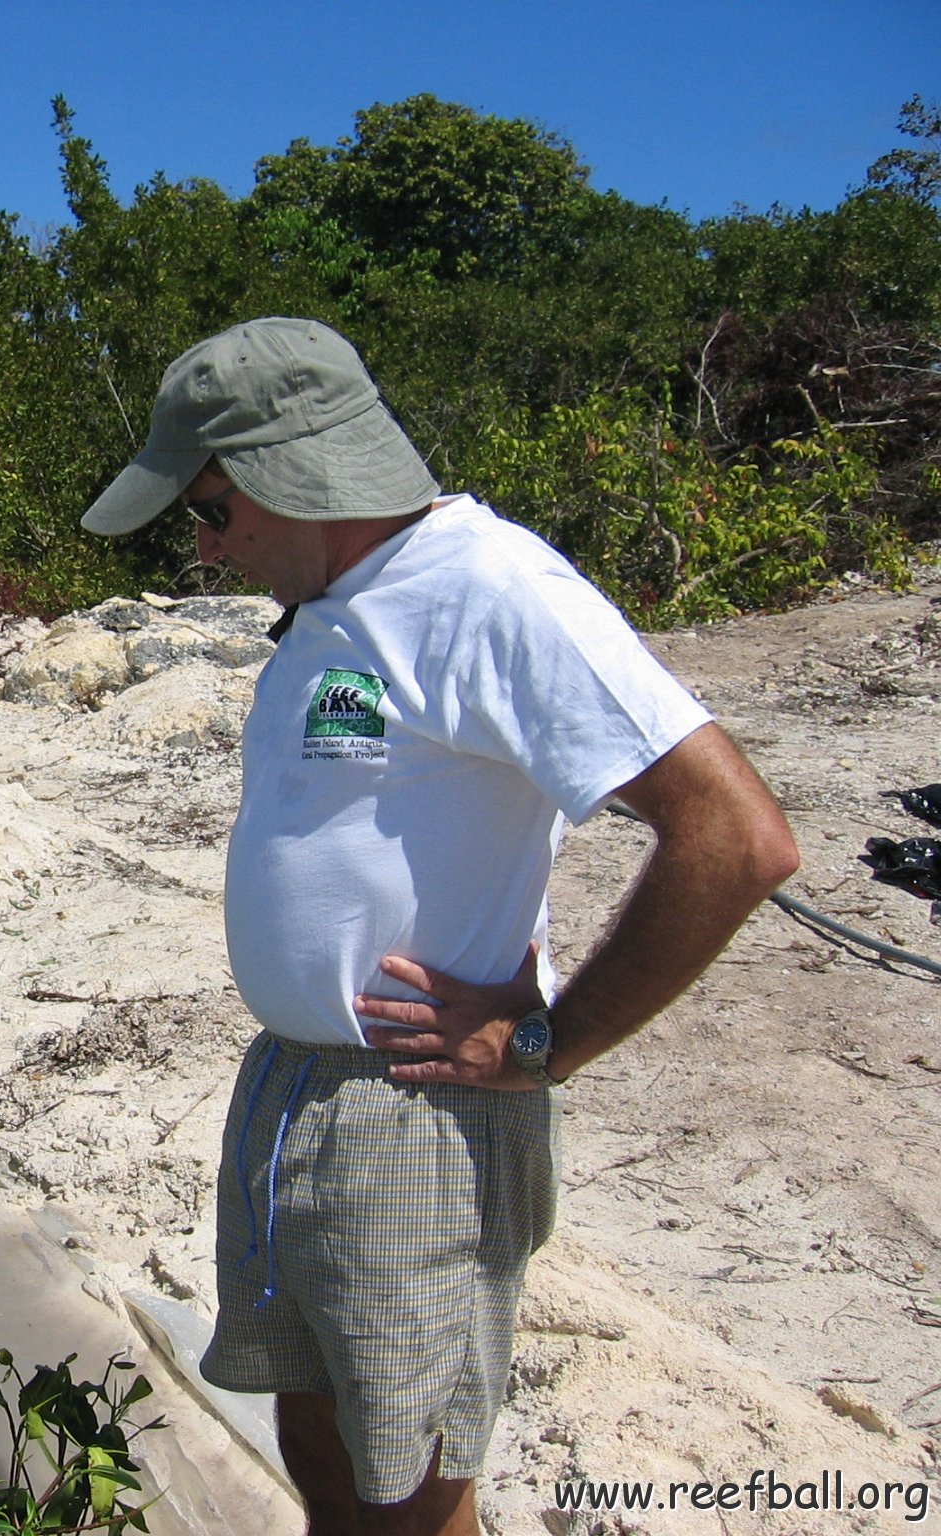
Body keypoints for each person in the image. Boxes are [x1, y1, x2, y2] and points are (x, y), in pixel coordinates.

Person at [81, 317, 799, 1536]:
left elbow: (735, 839)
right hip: (293, 1091)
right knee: (320, 1441)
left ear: (279, 476)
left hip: (410, 1110)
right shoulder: (333, 597)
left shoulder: (488, 589)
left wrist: (543, 1047)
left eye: (206, 512)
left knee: (407, 1487)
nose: (203, 549)